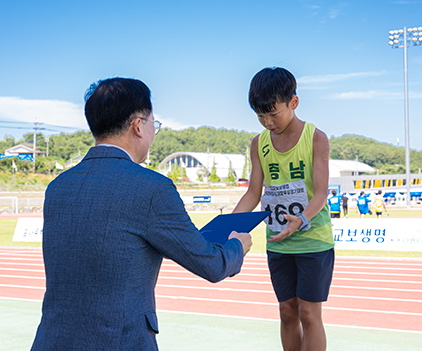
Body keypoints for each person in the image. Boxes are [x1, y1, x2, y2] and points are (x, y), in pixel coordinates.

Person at [30, 78, 252, 350]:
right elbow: (212, 265)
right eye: (153, 124)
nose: (153, 133)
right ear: (138, 126)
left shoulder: (57, 187)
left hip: (51, 341)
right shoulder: (152, 187)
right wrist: (237, 246)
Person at [232, 67, 334, 351]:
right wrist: (228, 225)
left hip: (313, 239)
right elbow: (254, 192)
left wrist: (301, 219)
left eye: (273, 113)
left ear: (294, 102)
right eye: (260, 115)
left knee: (309, 314)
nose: (267, 122)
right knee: (287, 312)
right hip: (278, 242)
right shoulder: (259, 144)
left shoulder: (316, 138)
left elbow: (322, 193)